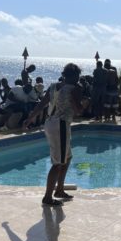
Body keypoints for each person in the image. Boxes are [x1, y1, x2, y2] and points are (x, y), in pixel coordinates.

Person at [24, 63, 83, 206]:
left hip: (50, 123)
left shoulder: (52, 86)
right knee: (58, 163)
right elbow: (78, 111)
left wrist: (30, 118)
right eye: (77, 76)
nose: (78, 79)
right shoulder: (74, 89)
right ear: (74, 76)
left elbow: (41, 105)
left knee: (67, 157)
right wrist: (84, 102)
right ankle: (47, 197)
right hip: (61, 125)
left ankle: (60, 189)